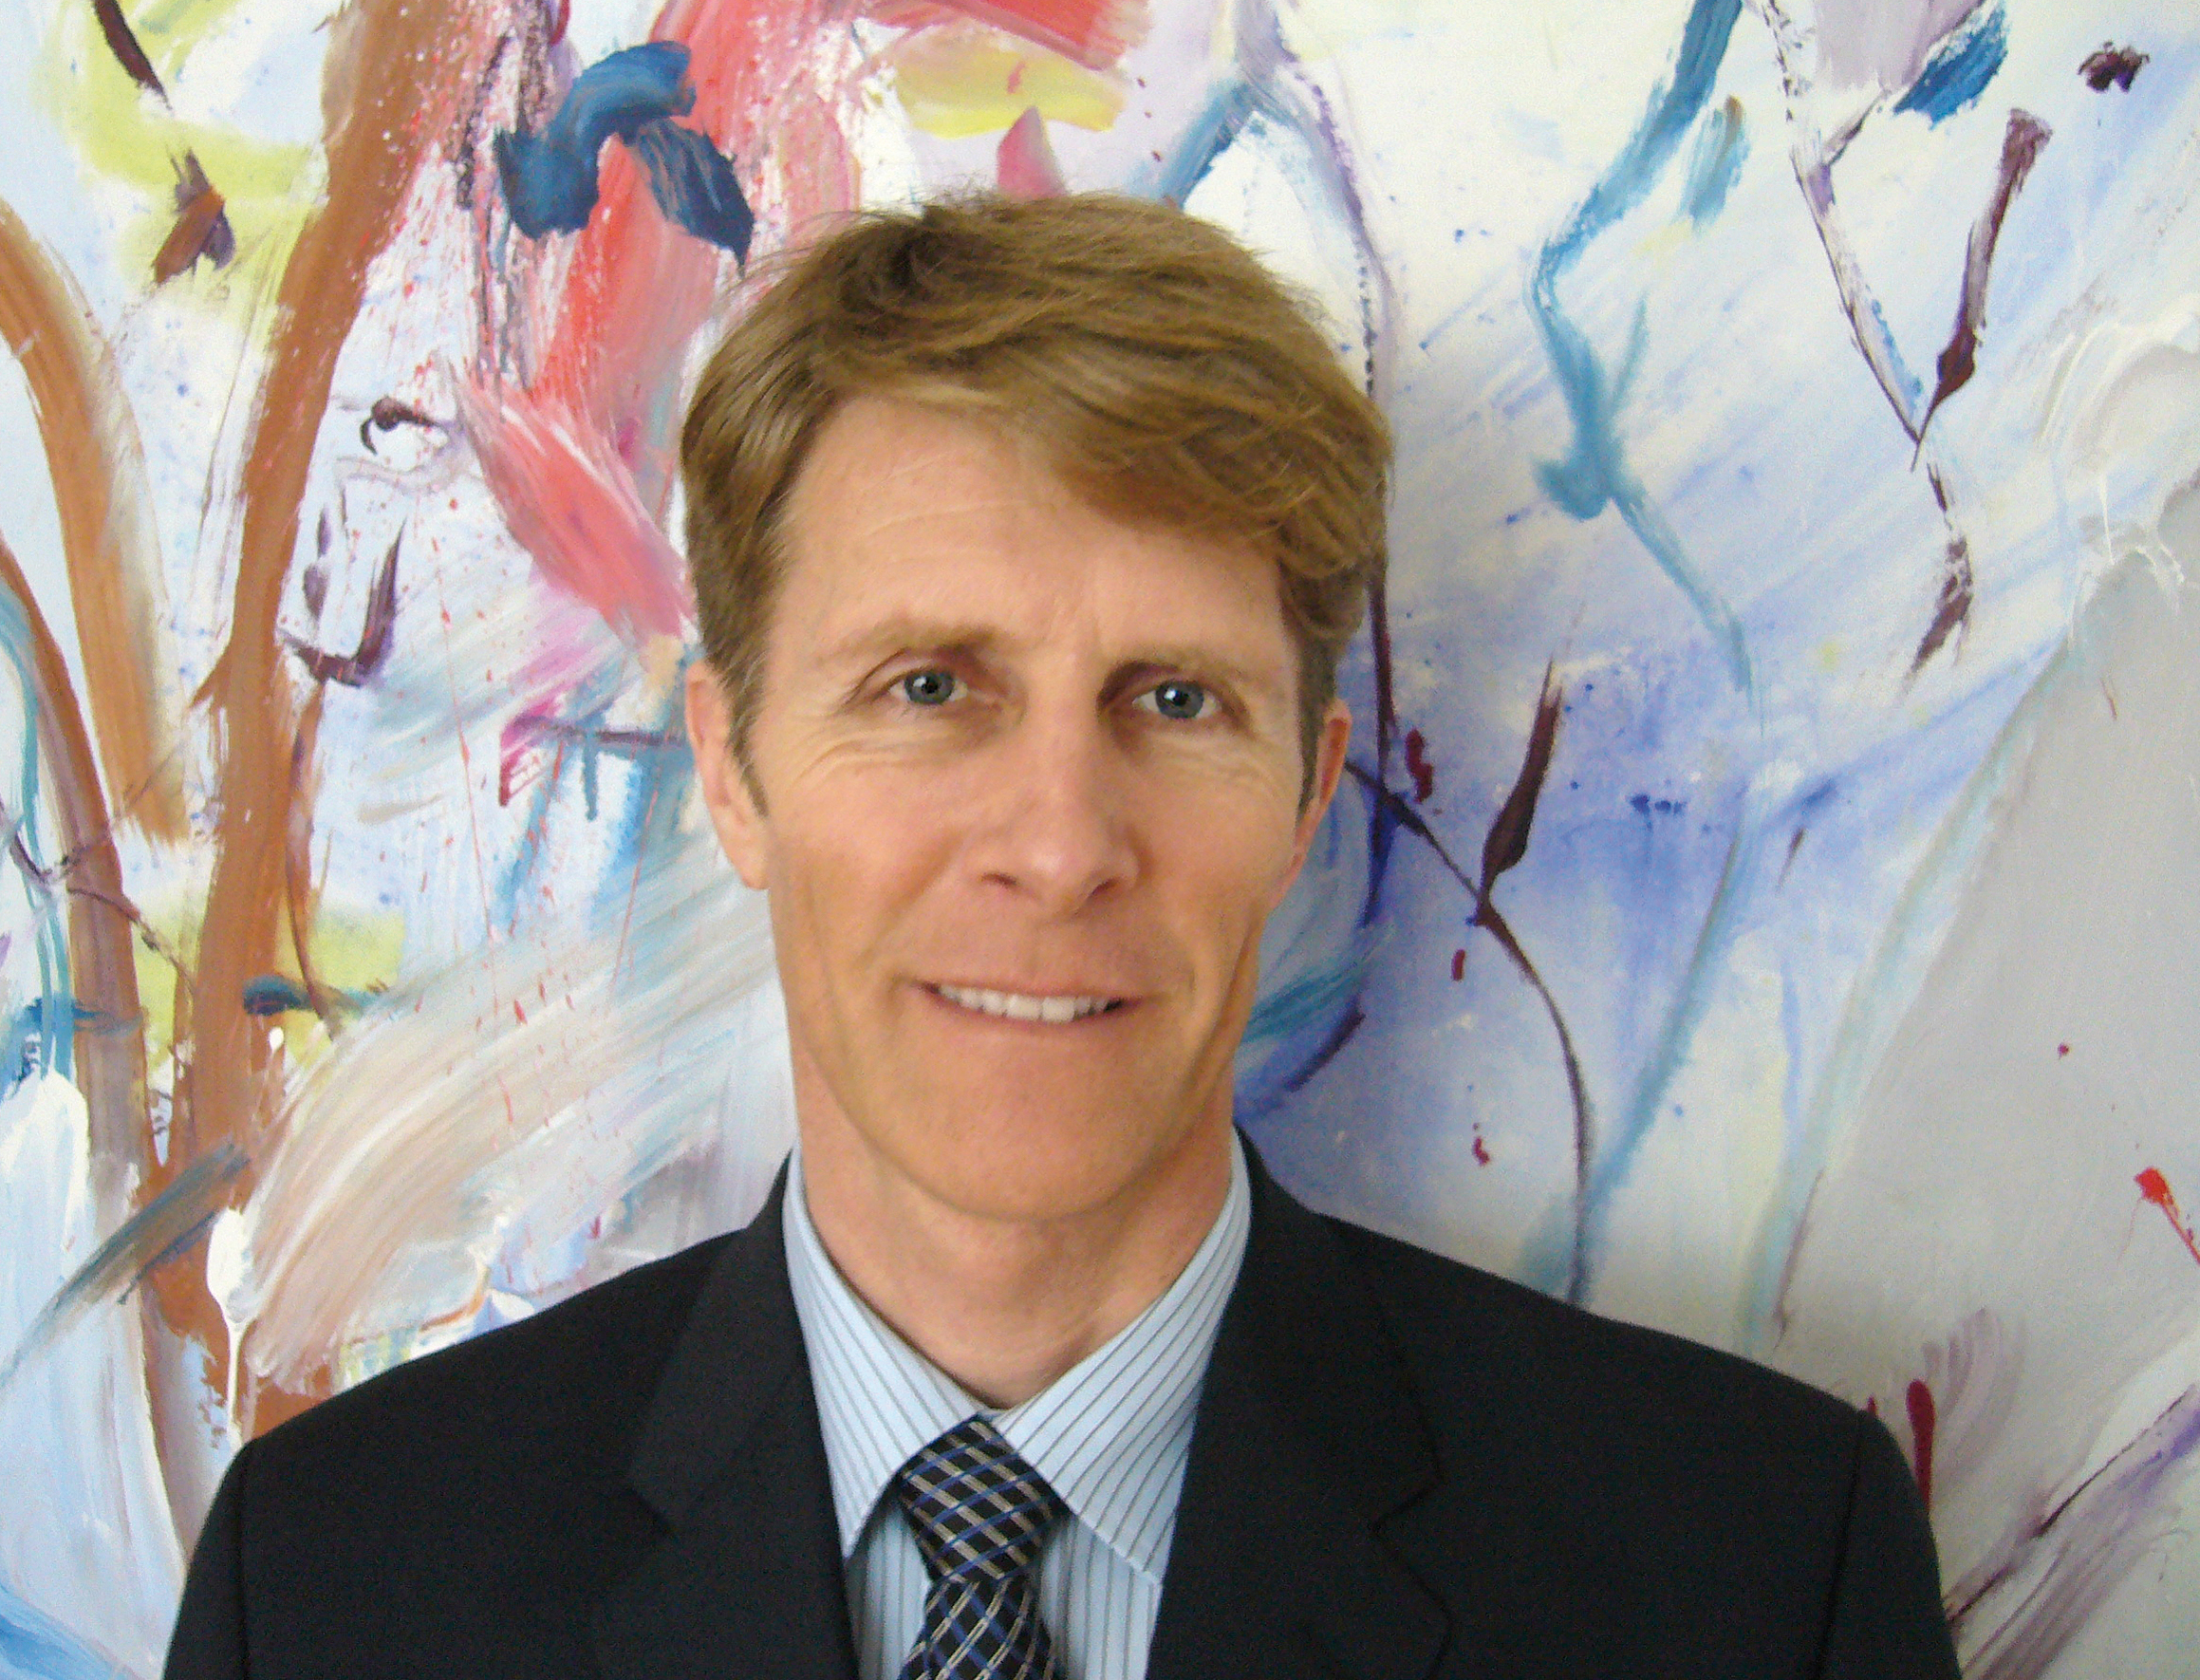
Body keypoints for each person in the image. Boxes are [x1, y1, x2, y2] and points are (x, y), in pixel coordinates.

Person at [162, 193, 1961, 1679]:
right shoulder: (330, 1586)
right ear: (731, 769)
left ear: (1305, 789)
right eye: (928, 686)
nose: (1058, 844)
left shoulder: (1752, 1573)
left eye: (1175, 699)